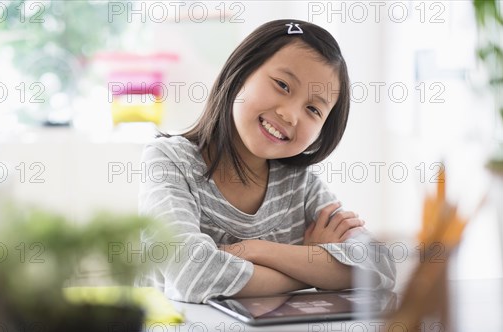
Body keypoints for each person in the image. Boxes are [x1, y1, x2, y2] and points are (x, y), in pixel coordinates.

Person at [136, 19, 396, 304]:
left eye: (312, 109)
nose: (290, 114)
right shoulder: (169, 162)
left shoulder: (300, 186)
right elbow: (193, 274)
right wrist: (312, 266)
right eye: (283, 85)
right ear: (241, 73)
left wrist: (256, 250)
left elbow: (380, 267)